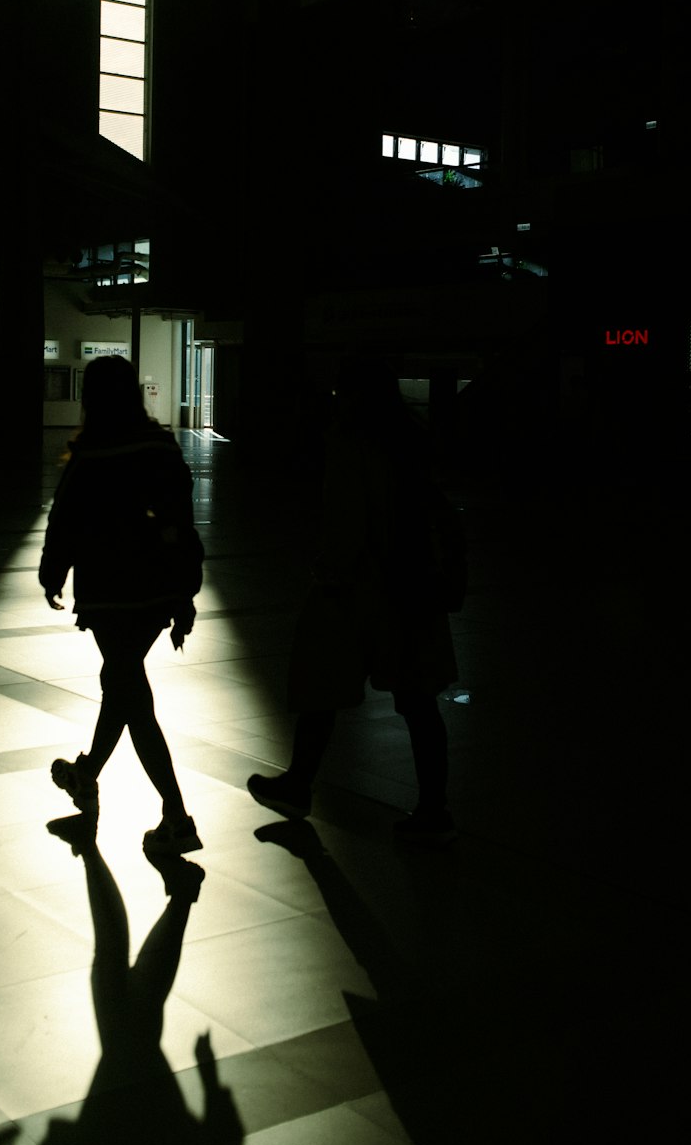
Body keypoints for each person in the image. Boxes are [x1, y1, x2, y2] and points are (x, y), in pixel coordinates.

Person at [247, 357, 467, 846]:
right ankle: (434, 808)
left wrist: (330, 571)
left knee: (321, 686)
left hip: (362, 592)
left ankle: (299, 784)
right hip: (414, 589)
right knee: (417, 701)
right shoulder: (410, 442)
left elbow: (349, 521)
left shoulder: (349, 443)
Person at [40, 356, 204, 855]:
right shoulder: (161, 446)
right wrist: (183, 594)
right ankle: (86, 774)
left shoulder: (92, 452)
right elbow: (182, 518)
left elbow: (64, 519)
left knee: (130, 693)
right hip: (157, 589)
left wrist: (53, 571)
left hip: (110, 589)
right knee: (122, 681)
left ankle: (176, 814)